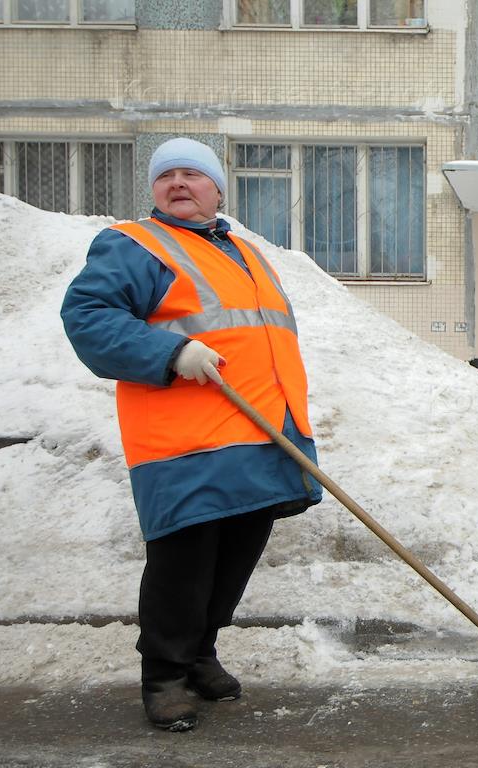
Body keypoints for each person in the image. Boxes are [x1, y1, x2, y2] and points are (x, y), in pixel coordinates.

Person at [60, 137, 322, 732]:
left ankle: (201, 653)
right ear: (154, 190)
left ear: (217, 189)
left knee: (236, 556)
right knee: (184, 562)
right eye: (166, 176)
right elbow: (89, 317)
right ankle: (165, 676)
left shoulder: (245, 252)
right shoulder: (137, 245)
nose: (179, 183)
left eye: (193, 175)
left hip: (260, 431)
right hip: (187, 439)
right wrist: (171, 350)